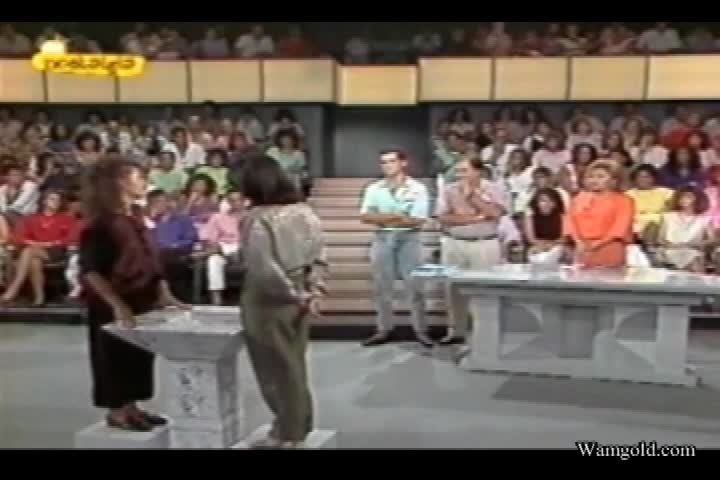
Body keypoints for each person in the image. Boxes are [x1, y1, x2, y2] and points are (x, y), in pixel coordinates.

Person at [79, 156, 189, 432]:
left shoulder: (137, 217)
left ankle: (133, 408)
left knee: (137, 356)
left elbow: (151, 260)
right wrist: (117, 304)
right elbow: (92, 271)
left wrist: (164, 293)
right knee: (113, 357)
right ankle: (117, 411)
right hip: (112, 302)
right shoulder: (101, 224)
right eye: (137, 177)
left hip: (143, 299)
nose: (143, 182)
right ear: (119, 182)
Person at [240, 155, 327, 449]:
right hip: (300, 291)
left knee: (273, 367)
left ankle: (288, 432)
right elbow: (319, 255)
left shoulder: (256, 218)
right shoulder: (305, 211)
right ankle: (297, 426)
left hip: (267, 299)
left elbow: (264, 268)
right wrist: (312, 291)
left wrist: (292, 294)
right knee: (294, 363)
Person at [359, 149, 433, 348]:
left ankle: (421, 330)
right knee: (381, 287)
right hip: (382, 238)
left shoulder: (418, 188)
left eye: (391, 161)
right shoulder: (374, 188)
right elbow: (365, 216)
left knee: (415, 286)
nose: (387, 165)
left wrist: (383, 217)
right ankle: (383, 329)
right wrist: (397, 217)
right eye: (383, 162)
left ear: (403, 163)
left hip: (410, 239)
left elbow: (417, 219)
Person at [435, 156, 505, 345]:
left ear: (478, 171)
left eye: (464, 171)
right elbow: (443, 217)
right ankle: (456, 331)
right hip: (454, 243)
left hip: (484, 244)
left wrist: (471, 197)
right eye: (458, 171)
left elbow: (495, 213)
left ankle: (484, 334)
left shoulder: (493, 188)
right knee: (453, 289)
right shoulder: (449, 190)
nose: (460, 175)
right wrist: (475, 218)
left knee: (484, 289)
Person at [0, 190, 77, 306]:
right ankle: (39, 298)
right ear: (44, 201)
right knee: (34, 261)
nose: (56, 202)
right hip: (35, 249)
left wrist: (52, 243)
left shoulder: (65, 219)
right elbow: (18, 236)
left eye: (58, 200)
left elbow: (72, 237)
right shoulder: (32, 218)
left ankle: (14, 288)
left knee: (29, 251)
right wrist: (31, 242)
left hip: (55, 251)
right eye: (52, 199)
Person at [564, 160, 634, 268]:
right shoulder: (578, 199)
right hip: (582, 248)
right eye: (591, 176)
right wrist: (578, 241)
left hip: (609, 247)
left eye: (600, 176)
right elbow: (570, 222)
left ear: (614, 180)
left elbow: (620, 228)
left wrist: (597, 244)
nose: (594, 180)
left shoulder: (624, 201)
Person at [656, 187, 714, 273]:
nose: (683, 199)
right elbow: (660, 239)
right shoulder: (667, 216)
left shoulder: (704, 219)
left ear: (698, 199)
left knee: (693, 256)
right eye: (681, 197)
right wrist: (673, 246)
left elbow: (712, 240)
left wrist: (695, 244)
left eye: (688, 197)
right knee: (666, 254)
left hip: (692, 249)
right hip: (670, 249)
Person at [205, 190, 246, 306]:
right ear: (228, 202)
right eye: (232, 200)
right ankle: (216, 298)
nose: (236, 203)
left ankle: (221, 252)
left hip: (245, 250)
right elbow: (211, 240)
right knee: (213, 260)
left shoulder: (251, 217)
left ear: (244, 201)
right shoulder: (218, 217)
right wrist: (216, 247)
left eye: (238, 200)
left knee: (236, 248)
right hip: (223, 248)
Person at [625, 165, 674, 246]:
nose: (643, 180)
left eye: (647, 177)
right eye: (640, 177)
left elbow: (676, 205)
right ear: (634, 179)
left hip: (660, 226)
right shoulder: (628, 195)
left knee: (654, 225)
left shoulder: (665, 192)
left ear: (653, 178)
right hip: (636, 227)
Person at [524, 188, 566, 266]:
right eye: (543, 201)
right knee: (536, 252)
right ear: (537, 203)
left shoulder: (562, 216)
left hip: (556, 246)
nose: (547, 204)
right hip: (537, 246)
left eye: (551, 201)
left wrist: (551, 244)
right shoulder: (530, 217)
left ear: (556, 203)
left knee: (564, 251)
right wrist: (544, 245)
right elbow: (531, 239)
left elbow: (563, 238)